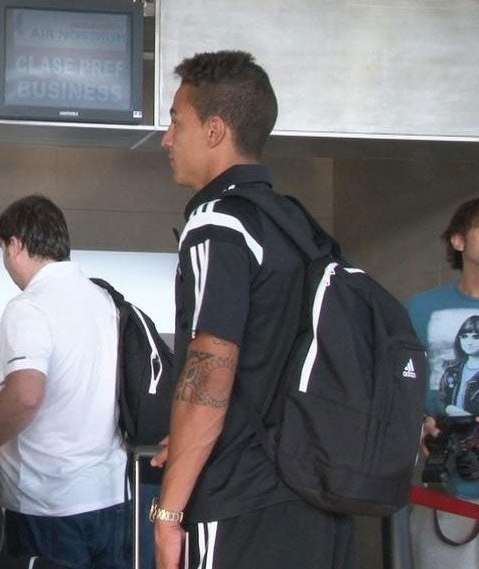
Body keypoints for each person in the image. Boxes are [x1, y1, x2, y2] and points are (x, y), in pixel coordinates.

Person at [150, 50, 355, 569]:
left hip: (242, 501)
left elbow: (212, 367)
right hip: (315, 496)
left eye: (177, 123)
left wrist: (168, 513)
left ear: (215, 130)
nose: (167, 139)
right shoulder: (300, 227)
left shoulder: (217, 223)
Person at [0, 195, 129, 569]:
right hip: (109, 495)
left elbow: (26, 393)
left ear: (15, 245)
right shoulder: (105, 302)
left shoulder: (29, 306)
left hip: (47, 501)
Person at [407, 196, 479, 569]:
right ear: (458, 241)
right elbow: (398, 389)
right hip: (442, 484)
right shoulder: (421, 309)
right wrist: (420, 425)